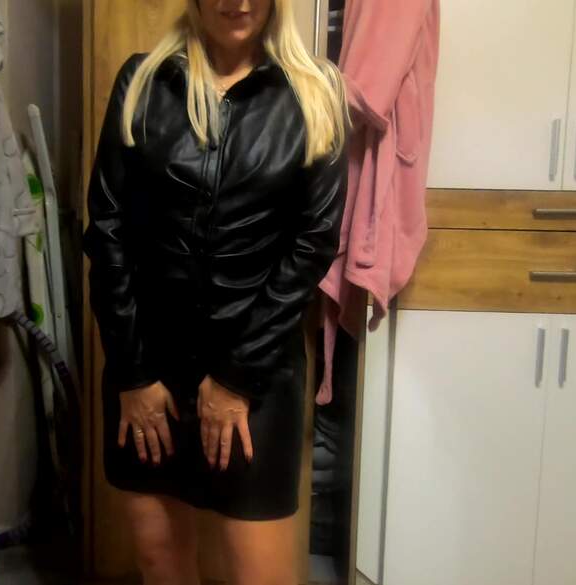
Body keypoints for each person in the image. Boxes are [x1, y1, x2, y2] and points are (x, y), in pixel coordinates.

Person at [83, 1, 348, 583]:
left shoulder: (317, 93)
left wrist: (234, 379)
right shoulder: (142, 83)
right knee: (160, 561)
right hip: (148, 372)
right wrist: (133, 374)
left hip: (257, 380)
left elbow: (313, 246)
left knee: (260, 574)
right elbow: (107, 230)